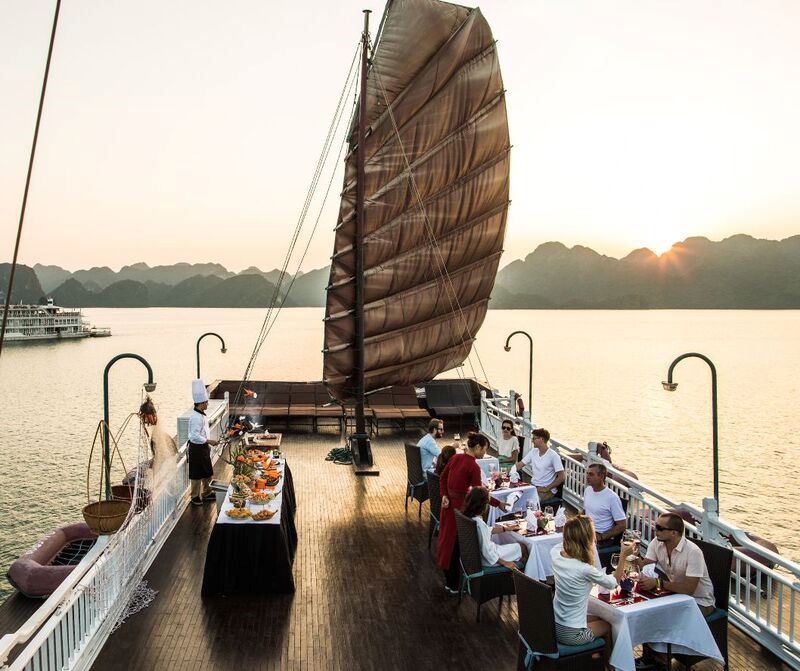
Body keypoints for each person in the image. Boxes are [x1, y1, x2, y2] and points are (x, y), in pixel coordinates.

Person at [438, 432, 509, 593]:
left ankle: (450, 582)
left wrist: (444, 495)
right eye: (484, 450)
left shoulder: (455, 458)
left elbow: (442, 478)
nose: (484, 454)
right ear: (477, 447)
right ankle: (456, 584)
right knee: (457, 545)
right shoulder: (473, 466)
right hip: (461, 509)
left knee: (447, 543)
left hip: (448, 508)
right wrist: (499, 504)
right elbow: (479, 495)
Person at [551, 515, 634, 650]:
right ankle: (609, 667)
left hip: (554, 625)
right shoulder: (584, 569)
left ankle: (593, 657)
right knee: (610, 626)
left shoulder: (555, 553)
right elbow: (613, 583)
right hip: (572, 634)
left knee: (601, 619)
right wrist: (623, 556)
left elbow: (567, 544)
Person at [636, 512, 715, 616]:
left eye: (660, 528)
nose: (656, 531)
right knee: (643, 609)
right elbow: (644, 566)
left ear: (674, 533)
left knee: (663, 616)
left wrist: (657, 583)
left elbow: (689, 589)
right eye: (656, 526)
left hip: (700, 602)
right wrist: (634, 554)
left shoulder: (693, 552)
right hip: (676, 595)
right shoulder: (657, 543)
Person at [462, 486, 528, 569]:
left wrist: (505, 528)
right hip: (489, 559)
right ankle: (522, 576)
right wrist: (505, 563)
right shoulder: (479, 524)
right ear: (484, 506)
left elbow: (487, 531)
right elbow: (487, 551)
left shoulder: (469, 517)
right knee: (523, 547)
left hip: (481, 556)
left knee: (512, 545)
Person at [188, 379, 219, 506]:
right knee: (196, 474)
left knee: (207, 470)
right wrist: (208, 441)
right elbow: (194, 435)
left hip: (203, 447)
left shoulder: (202, 415)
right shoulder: (195, 418)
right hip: (196, 448)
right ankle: (195, 496)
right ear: (201, 403)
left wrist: (207, 443)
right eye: (206, 402)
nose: (207, 404)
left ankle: (207, 492)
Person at [515, 428, 564, 505]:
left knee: (530, 503)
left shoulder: (553, 455)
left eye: (534, 438)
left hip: (546, 490)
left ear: (541, 439)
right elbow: (520, 465)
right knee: (516, 497)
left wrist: (547, 488)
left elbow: (561, 477)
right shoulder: (533, 452)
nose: (532, 440)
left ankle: (532, 516)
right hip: (534, 486)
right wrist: (505, 472)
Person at [583, 463, 627, 548]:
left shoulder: (612, 497)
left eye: (591, 474)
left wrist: (601, 537)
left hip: (601, 537)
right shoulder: (588, 490)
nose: (587, 476)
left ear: (601, 477)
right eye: (587, 473)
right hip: (587, 531)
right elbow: (585, 511)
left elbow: (622, 525)